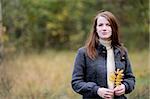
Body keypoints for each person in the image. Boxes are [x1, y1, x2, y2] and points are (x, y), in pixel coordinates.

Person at [71, 10, 135, 99]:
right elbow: (76, 83)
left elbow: (130, 79)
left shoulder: (122, 52)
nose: (104, 28)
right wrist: (96, 90)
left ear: (113, 28)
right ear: (96, 29)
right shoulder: (83, 53)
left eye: (108, 25)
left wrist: (125, 86)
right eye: (100, 25)